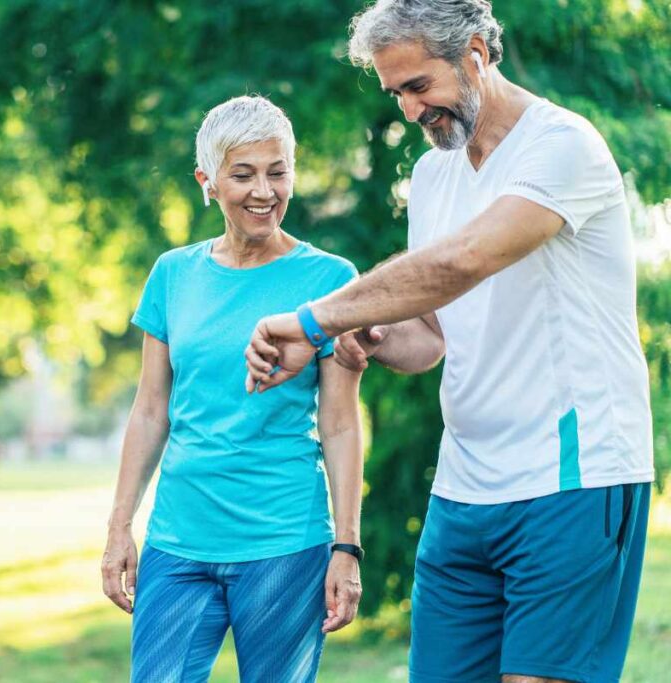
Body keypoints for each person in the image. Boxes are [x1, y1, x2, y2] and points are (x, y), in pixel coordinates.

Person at [243, 2, 654, 682]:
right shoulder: (433, 176)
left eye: (417, 85)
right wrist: (365, 336)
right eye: (395, 93)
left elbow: (462, 261)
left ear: (473, 53)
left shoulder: (562, 146)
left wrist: (315, 317)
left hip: (572, 476)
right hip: (465, 485)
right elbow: (432, 335)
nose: (410, 110)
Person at [102, 95, 365, 682]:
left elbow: (341, 423)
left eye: (278, 172)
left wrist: (346, 548)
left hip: (284, 542)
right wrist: (120, 524)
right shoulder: (173, 274)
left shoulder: (331, 280)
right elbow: (150, 411)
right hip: (179, 539)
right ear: (208, 182)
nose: (264, 192)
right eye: (243, 174)